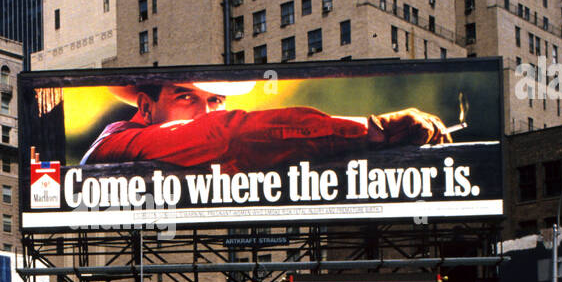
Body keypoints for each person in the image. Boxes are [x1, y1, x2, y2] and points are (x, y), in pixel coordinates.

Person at [80, 81, 453, 173]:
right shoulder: (117, 144)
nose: (206, 111)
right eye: (186, 97)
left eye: (215, 100)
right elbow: (226, 132)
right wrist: (377, 129)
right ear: (145, 106)